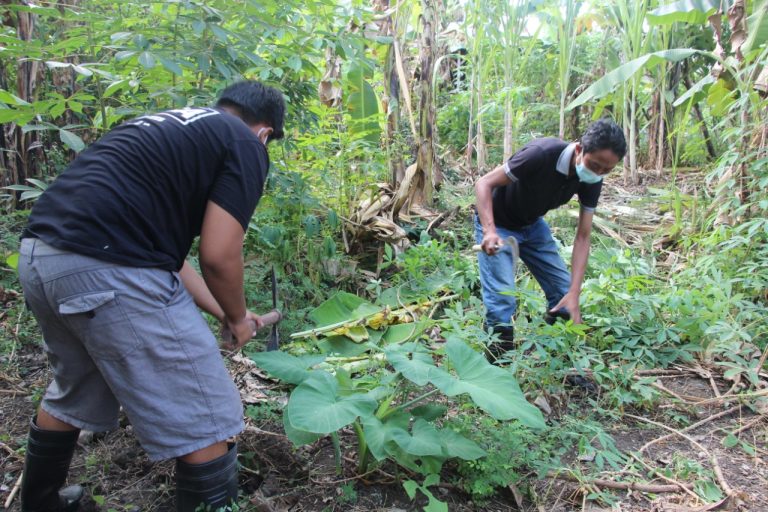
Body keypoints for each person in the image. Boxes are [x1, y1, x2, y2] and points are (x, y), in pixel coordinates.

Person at [17, 80, 285, 512]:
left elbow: (170, 258)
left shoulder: (168, 126)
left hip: (41, 259)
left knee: (77, 387)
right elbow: (218, 255)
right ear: (265, 132)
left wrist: (225, 310)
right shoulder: (245, 142)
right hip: (110, 271)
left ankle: (42, 504)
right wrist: (238, 321)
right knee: (208, 416)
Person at [474, 119, 626, 355]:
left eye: (607, 170)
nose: (599, 173)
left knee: (564, 293)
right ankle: (497, 364)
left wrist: (574, 292)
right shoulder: (541, 154)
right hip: (499, 222)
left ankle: (552, 354)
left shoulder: (592, 179)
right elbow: (484, 183)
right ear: (579, 150)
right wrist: (489, 230)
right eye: (595, 165)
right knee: (502, 299)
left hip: (533, 226)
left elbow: (583, 236)